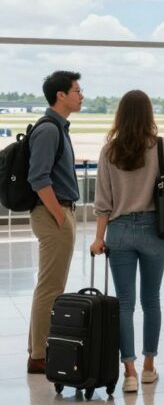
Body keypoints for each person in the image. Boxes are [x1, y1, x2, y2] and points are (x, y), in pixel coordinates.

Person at [89, 90, 164, 393]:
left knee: (124, 304)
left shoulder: (109, 152)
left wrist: (99, 238)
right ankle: (150, 367)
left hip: (119, 231)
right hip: (153, 230)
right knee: (152, 301)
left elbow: (103, 202)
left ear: (120, 115)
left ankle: (130, 372)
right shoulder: (161, 147)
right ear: (149, 114)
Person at [26, 70, 83, 375]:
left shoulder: (59, 128)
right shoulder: (49, 130)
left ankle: (36, 348)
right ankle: (39, 355)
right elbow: (38, 178)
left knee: (50, 285)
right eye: (76, 90)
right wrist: (60, 217)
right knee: (51, 287)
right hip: (53, 214)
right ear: (60, 95)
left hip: (57, 211)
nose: (81, 95)